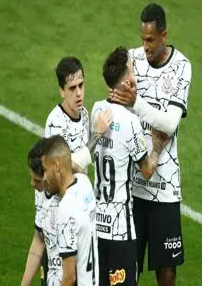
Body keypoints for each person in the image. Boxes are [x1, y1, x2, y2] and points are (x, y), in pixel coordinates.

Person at [111, 3, 192, 286]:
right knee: (126, 266)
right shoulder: (132, 60)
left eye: (150, 40)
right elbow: (114, 99)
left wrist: (136, 103)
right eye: (142, 38)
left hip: (165, 187)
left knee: (166, 270)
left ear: (164, 35)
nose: (144, 46)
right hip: (132, 185)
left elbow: (169, 124)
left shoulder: (181, 67)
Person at [91, 46, 168, 286]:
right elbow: (146, 169)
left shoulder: (95, 110)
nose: (136, 77)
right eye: (132, 72)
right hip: (119, 229)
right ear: (125, 83)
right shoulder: (131, 122)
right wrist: (156, 146)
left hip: (95, 225)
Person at [40, 56, 112, 283]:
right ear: (62, 91)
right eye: (72, 88)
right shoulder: (55, 123)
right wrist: (97, 135)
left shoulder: (84, 116)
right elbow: (71, 166)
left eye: (81, 85)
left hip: (79, 212)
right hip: (58, 215)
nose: (79, 93)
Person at [42, 135, 99, 286]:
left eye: (46, 170)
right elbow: (75, 169)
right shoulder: (84, 182)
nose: (44, 178)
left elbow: (69, 278)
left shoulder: (66, 208)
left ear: (57, 167)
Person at [21, 138, 63, 286]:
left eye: (37, 180)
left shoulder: (74, 201)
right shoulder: (43, 193)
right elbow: (39, 239)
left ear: (48, 175)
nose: (32, 184)